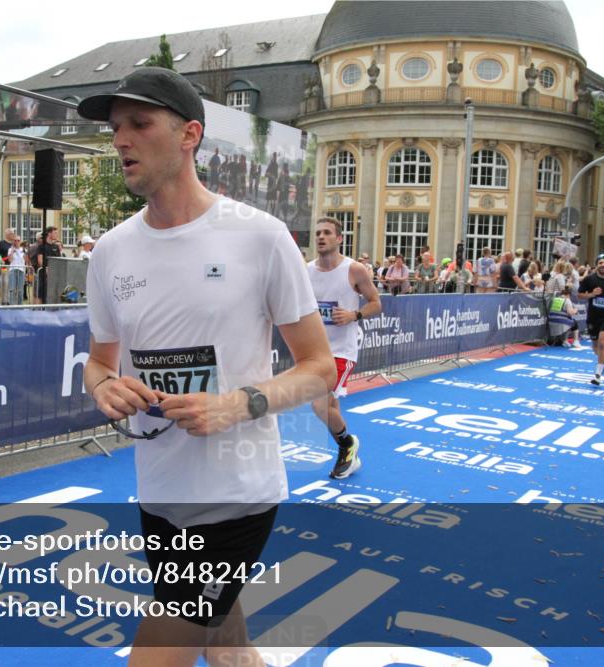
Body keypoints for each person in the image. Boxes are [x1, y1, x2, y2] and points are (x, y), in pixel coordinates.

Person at [77, 67, 336, 667]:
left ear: (190, 134)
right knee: (228, 650)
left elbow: (321, 368)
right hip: (162, 493)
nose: (121, 140)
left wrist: (235, 404)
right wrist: (104, 388)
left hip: (236, 497)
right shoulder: (111, 251)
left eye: (139, 124)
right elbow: (97, 362)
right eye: (117, 127)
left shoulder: (260, 237)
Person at [307, 217, 381, 480]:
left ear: (339, 239)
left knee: (318, 405)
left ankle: (347, 443)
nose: (321, 237)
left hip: (342, 350)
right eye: (317, 233)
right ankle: (348, 456)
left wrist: (354, 315)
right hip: (316, 351)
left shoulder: (355, 270)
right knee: (330, 407)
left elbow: (375, 303)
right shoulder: (306, 270)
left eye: (327, 233)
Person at [577, 253, 604, 385]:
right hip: (593, 316)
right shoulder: (589, 279)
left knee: (603, 342)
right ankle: (602, 360)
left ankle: (598, 372)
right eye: (600, 263)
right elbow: (580, 295)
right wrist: (592, 294)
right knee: (596, 344)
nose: (603, 265)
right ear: (596, 265)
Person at [34, 226, 61, 304]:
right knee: (41, 293)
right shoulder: (41, 246)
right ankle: (39, 311)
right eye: (55, 233)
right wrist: (45, 268)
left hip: (54, 275)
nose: (56, 235)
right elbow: (40, 260)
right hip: (44, 274)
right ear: (49, 234)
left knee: (53, 293)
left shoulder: (56, 246)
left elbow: (59, 260)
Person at [6, 236, 27, 305]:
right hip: (13, 269)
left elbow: (26, 261)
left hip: (21, 270)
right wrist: (12, 251)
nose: (16, 242)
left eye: (18, 240)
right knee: (12, 288)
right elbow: (10, 260)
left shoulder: (23, 250)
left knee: (20, 289)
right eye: (15, 240)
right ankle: (12, 304)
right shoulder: (10, 249)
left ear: (20, 241)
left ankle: (19, 305)